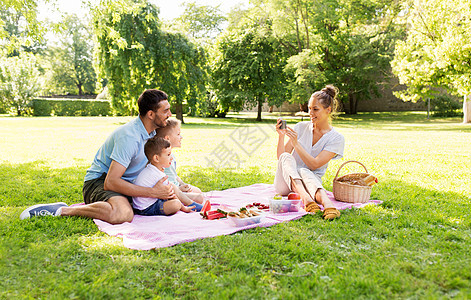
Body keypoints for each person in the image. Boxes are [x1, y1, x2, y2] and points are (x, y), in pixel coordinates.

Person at [20, 89, 175, 224]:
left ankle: (117, 203)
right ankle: (63, 210)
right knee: (123, 214)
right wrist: (152, 192)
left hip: (125, 184)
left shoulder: (153, 133)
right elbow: (111, 182)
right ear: (150, 114)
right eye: (165, 110)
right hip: (99, 181)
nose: (169, 114)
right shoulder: (129, 137)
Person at [274, 85, 345, 220]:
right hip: (286, 183)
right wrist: (281, 136)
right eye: (309, 108)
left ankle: (328, 205)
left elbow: (314, 165)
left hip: (312, 184)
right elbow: (281, 158)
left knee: (305, 171)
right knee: (286, 157)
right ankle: (305, 199)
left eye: (315, 109)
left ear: (328, 110)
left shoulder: (336, 138)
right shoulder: (301, 127)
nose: (310, 113)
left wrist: (296, 143)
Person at [132, 136, 202, 216]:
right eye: (168, 155)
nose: (171, 158)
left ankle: (190, 203)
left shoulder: (152, 168)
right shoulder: (158, 175)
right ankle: (189, 204)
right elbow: (172, 195)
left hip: (142, 204)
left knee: (172, 185)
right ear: (156, 158)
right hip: (146, 208)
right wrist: (183, 208)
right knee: (176, 204)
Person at [155, 119, 204, 199]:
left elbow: (174, 175)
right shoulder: (162, 158)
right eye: (178, 134)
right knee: (199, 197)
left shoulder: (171, 156)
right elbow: (164, 181)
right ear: (167, 139)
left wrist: (182, 183)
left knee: (198, 191)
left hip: (178, 188)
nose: (181, 137)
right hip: (170, 191)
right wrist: (178, 189)